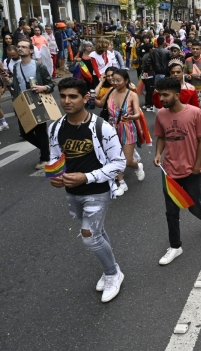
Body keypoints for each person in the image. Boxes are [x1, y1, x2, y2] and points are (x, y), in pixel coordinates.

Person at [47, 77, 126, 302]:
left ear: (85, 98)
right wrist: (54, 175)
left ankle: (113, 274)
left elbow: (118, 163)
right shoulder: (55, 128)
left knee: (89, 237)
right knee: (97, 232)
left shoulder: (102, 128)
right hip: (72, 193)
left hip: (97, 191)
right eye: (63, 96)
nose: (66, 101)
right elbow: (55, 157)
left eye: (73, 96)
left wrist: (86, 177)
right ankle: (111, 268)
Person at [153, 77, 201, 265]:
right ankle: (175, 246)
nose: (161, 98)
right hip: (169, 170)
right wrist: (158, 154)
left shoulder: (194, 113)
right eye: (159, 94)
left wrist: (197, 166)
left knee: (194, 206)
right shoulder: (161, 114)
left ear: (177, 95)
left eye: (165, 94)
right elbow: (161, 137)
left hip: (191, 170)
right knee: (171, 211)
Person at [96, 69, 145, 196]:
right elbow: (100, 103)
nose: (115, 83)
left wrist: (131, 117)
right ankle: (122, 183)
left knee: (127, 161)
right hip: (111, 128)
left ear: (126, 80)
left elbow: (137, 114)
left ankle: (137, 166)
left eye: (118, 80)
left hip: (127, 128)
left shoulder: (132, 95)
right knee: (114, 158)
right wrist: (88, 98)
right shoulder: (111, 91)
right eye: (113, 80)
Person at [10, 39, 54, 169]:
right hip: (22, 102)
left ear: (30, 51)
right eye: (18, 47)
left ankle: (45, 158)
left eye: (23, 47)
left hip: (36, 101)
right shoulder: (16, 66)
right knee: (25, 133)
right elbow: (16, 84)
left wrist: (43, 88)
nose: (20, 49)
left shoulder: (39, 66)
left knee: (40, 132)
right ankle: (47, 149)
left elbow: (51, 84)